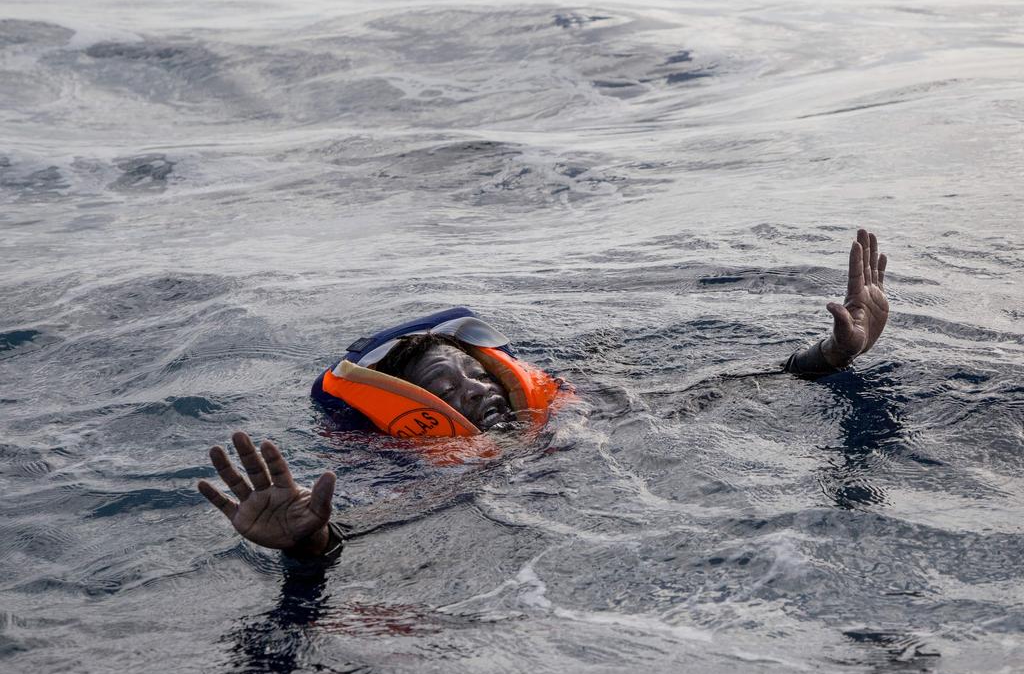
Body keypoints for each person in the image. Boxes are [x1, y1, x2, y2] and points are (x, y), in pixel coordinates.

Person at [198, 229, 889, 560]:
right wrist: (309, 543)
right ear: (416, 418)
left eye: (473, 371)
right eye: (444, 386)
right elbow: (366, 528)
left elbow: (723, 390)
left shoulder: (596, 416)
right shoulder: (447, 486)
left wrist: (832, 354)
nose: (472, 386)